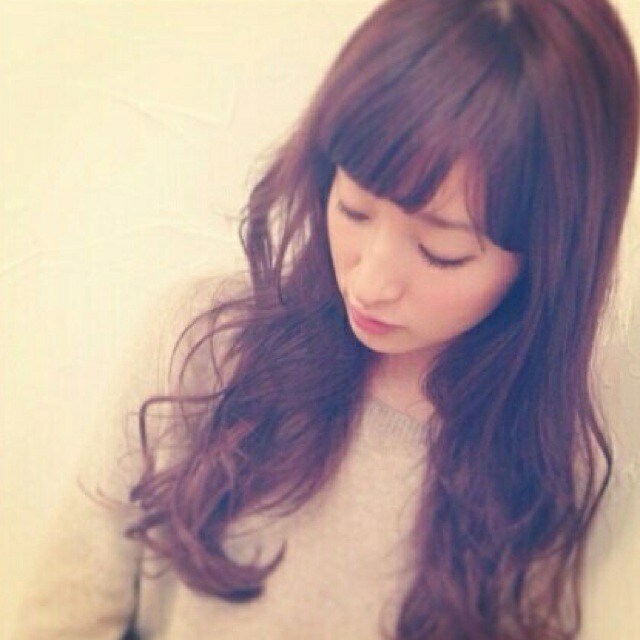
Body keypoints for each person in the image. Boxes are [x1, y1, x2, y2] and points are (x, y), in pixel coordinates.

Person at [9, 0, 639, 638]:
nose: (368, 284)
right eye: (355, 209)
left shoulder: (544, 468)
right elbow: (67, 607)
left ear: (546, 262)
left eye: (440, 252)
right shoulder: (206, 349)